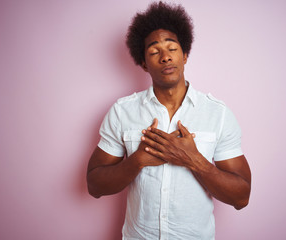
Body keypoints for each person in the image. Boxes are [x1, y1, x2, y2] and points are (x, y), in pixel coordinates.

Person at [87, 2, 251, 239]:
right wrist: (137, 160)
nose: (164, 57)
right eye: (154, 51)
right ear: (143, 63)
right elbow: (94, 186)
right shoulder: (122, 112)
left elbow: (241, 197)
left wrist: (193, 159)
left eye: (172, 48)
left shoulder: (218, 114)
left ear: (185, 55)